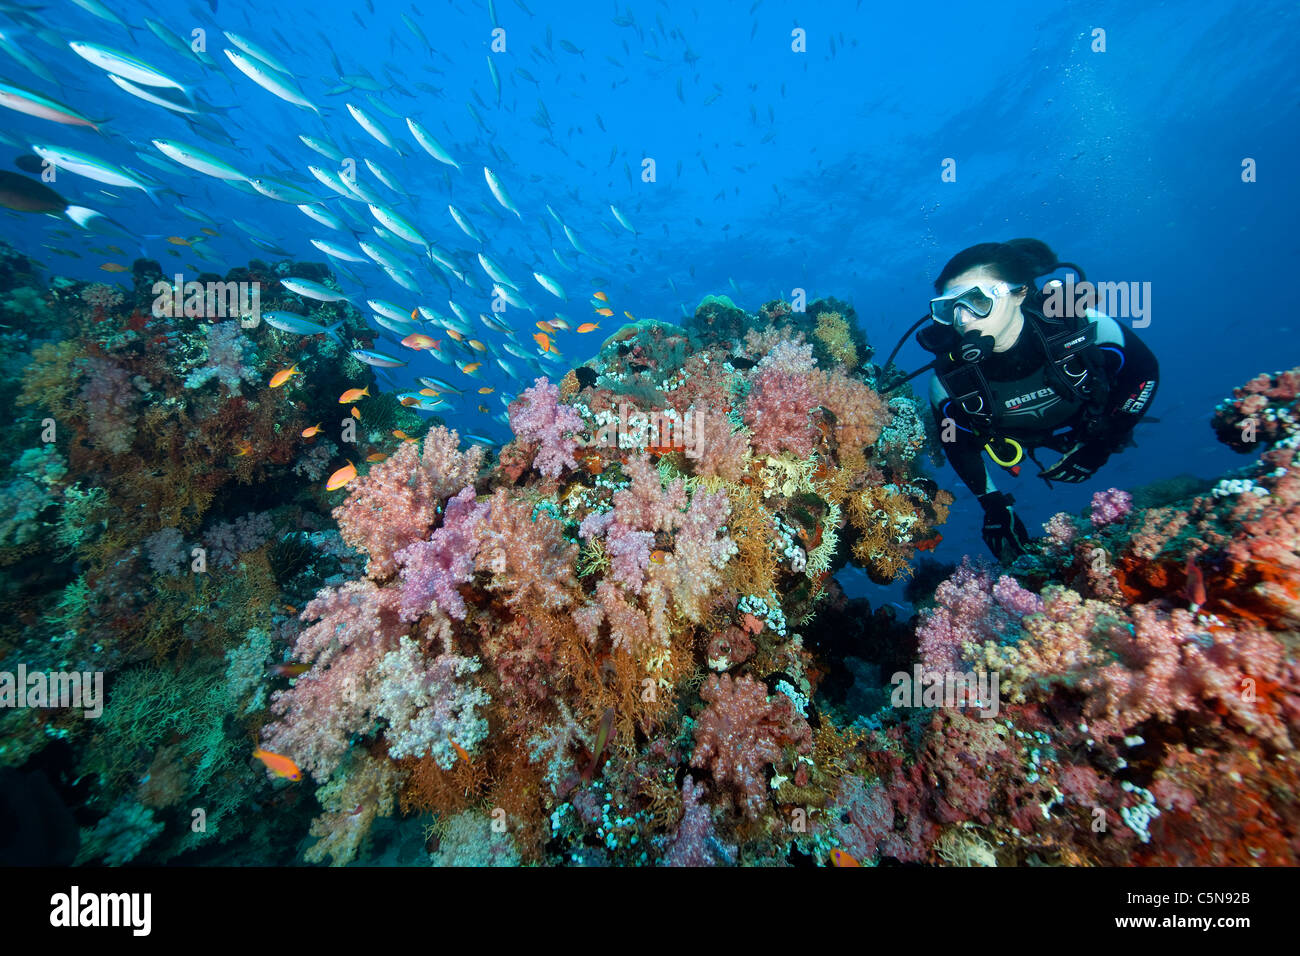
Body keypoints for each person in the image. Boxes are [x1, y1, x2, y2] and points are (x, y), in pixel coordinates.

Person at [917, 239, 1159, 561]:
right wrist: (994, 506)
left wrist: (1106, 439)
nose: (963, 319)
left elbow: (1144, 372)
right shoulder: (947, 381)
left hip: (1093, 423)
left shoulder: (1081, 324)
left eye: (977, 300)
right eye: (950, 307)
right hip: (1021, 440)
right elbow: (957, 443)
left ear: (1020, 293)